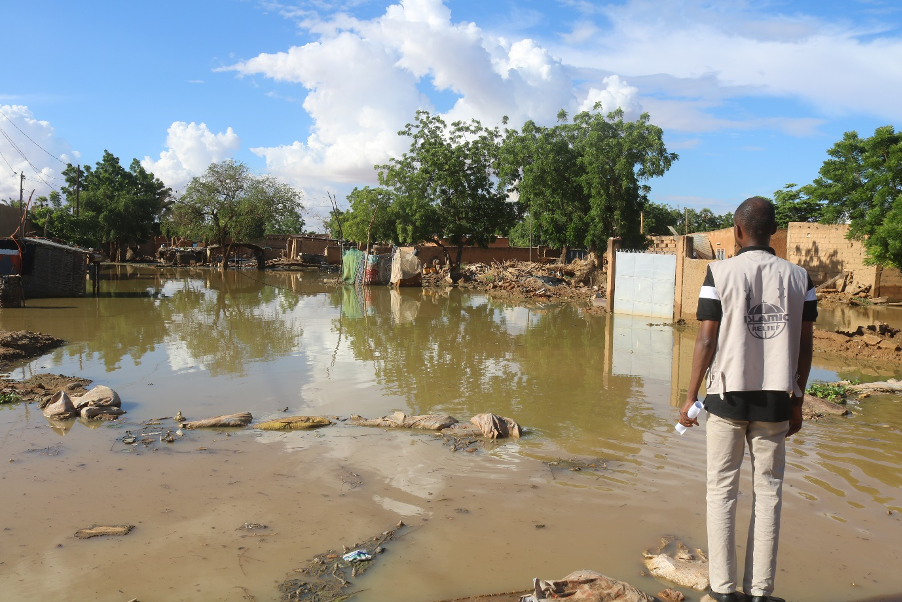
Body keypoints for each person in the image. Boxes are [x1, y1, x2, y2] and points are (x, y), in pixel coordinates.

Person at [679, 197, 817, 602]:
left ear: (737, 231)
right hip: (776, 401)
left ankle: (723, 590)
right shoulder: (800, 277)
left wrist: (689, 397)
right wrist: (797, 401)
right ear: (773, 230)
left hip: (726, 399)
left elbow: (707, 338)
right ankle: (760, 592)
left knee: (721, 491)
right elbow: (805, 348)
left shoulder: (718, 272)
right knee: (769, 492)